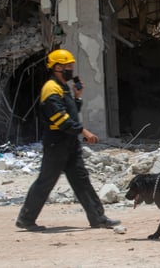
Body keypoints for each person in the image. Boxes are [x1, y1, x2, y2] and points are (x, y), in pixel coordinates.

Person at [16, 49, 121, 231]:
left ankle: (98, 218)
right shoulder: (51, 88)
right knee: (46, 181)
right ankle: (26, 219)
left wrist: (78, 98)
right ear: (57, 67)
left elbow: (71, 114)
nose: (71, 69)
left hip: (69, 142)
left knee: (81, 180)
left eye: (71, 66)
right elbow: (60, 119)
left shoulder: (63, 87)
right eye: (68, 66)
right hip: (57, 142)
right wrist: (84, 131)